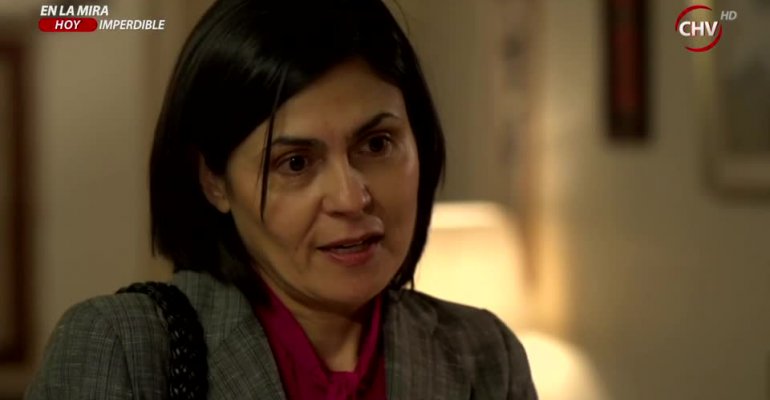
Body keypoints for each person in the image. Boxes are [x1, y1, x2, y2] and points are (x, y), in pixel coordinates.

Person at [27, 0, 537, 398]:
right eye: (295, 163)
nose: (351, 197)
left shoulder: (483, 354)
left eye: (377, 144)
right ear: (214, 181)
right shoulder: (122, 348)